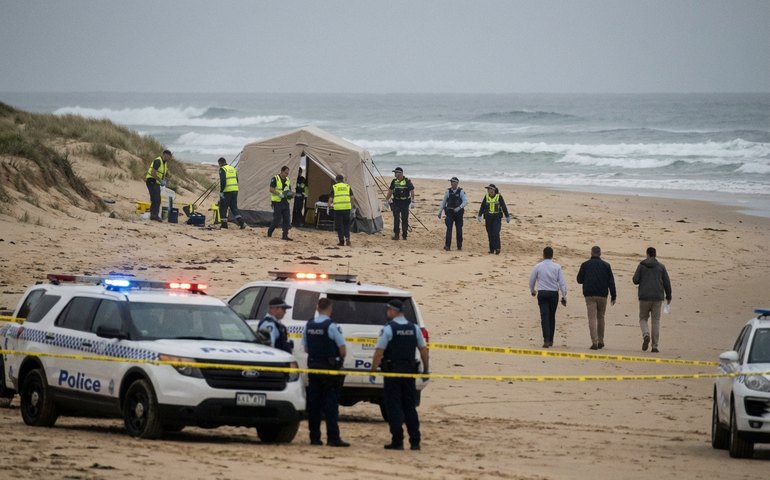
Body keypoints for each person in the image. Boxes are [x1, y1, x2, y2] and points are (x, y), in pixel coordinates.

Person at [369, 299, 430, 451]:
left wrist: (372, 370)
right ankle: (415, 441)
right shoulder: (414, 328)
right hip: (409, 373)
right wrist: (426, 369)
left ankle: (397, 440)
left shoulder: (388, 329)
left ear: (393, 311)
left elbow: (379, 352)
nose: (387, 312)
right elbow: (423, 350)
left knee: (394, 407)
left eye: (388, 310)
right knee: (409, 406)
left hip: (392, 373)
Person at [302, 298, 349, 447]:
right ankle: (333, 438)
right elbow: (342, 349)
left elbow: (306, 349)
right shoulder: (331, 326)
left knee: (314, 406)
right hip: (329, 371)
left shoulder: (309, 325)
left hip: (314, 368)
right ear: (330, 309)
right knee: (330, 405)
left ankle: (314, 438)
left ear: (317, 308)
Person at [632, 247, 672, 353]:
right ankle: (654, 346)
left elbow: (635, 280)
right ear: (655, 255)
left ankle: (646, 334)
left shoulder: (641, 266)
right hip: (658, 297)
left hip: (644, 296)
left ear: (648, 254)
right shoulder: (661, 267)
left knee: (643, 318)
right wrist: (669, 296)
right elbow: (667, 283)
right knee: (656, 321)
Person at [576, 246, 617, 350]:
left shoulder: (585, 265)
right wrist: (613, 295)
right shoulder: (606, 265)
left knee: (592, 318)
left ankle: (594, 342)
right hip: (602, 294)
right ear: (600, 253)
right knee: (601, 317)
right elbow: (611, 282)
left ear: (591, 253)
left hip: (589, 294)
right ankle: (601, 340)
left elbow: (579, 280)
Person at [529, 246, 567, 348]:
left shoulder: (538, 266)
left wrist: (532, 291)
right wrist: (564, 296)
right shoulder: (557, 267)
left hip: (542, 292)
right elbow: (562, 283)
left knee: (544, 316)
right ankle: (550, 340)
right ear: (552, 255)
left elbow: (531, 280)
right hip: (553, 293)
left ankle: (546, 339)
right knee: (551, 317)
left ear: (543, 255)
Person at [476, 184, 511, 255]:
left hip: (497, 217)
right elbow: (482, 206)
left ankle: (497, 248)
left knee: (495, 232)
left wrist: (507, 216)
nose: (489, 191)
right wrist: (479, 215)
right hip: (488, 217)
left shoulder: (499, 197)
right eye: (488, 189)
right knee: (490, 233)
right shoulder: (486, 197)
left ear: (494, 190)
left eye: (491, 189)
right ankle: (491, 249)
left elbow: (504, 207)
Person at [437, 177, 468, 251]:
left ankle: (459, 246)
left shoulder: (461, 191)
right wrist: (440, 211)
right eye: (451, 182)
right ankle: (447, 246)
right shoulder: (448, 191)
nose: (452, 183)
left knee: (459, 229)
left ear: (457, 183)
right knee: (449, 229)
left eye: (453, 182)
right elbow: (444, 202)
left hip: (459, 213)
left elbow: (465, 201)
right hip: (450, 213)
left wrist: (459, 207)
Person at [384, 167, 415, 240]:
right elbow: (390, 191)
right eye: (394, 172)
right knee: (396, 219)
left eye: (396, 172)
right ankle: (396, 235)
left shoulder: (407, 181)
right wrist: (386, 200)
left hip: (405, 203)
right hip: (396, 202)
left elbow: (412, 191)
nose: (395, 174)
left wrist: (413, 201)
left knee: (404, 219)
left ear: (400, 173)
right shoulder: (394, 181)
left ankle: (404, 235)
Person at [217, 157, 245, 229]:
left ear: (220, 163)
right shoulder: (232, 168)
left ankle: (224, 225)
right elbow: (237, 179)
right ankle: (241, 222)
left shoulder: (222, 169)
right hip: (235, 190)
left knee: (223, 208)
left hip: (227, 191)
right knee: (234, 208)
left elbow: (223, 181)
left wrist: (221, 191)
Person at [267, 165, 293, 240]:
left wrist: (290, 195)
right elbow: (271, 189)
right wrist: (279, 194)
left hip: (285, 202)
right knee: (277, 219)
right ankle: (270, 231)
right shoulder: (275, 178)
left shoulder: (288, 179)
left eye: (288, 173)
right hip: (277, 201)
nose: (287, 174)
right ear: (281, 171)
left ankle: (285, 235)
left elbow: (289, 189)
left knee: (287, 219)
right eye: (285, 173)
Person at [145, 150, 172, 222]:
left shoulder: (164, 163)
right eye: (169, 157)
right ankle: (154, 216)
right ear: (165, 155)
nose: (169, 159)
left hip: (156, 182)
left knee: (157, 199)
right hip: (151, 181)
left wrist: (168, 175)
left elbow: (163, 171)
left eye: (170, 158)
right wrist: (160, 181)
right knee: (155, 199)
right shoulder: (158, 161)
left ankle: (154, 215)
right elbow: (152, 172)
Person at [329, 174, 353, 246]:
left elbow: (330, 199)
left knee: (340, 225)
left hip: (338, 209)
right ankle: (348, 238)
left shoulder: (335, 187)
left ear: (336, 180)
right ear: (343, 180)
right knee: (346, 224)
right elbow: (352, 197)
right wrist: (351, 205)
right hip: (347, 208)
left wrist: (329, 205)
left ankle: (341, 241)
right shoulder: (347, 187)